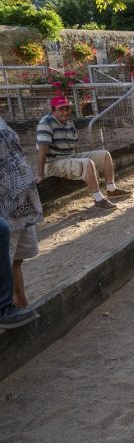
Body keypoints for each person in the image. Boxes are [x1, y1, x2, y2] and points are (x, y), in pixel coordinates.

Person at [37, 96, 133, 210]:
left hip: (69, 157)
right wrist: (41, 175)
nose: (65, 112)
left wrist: (78, 162)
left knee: (105, 155)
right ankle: (98, 199)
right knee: (87, 163)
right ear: (52, 110)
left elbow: (74, 146)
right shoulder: (46, 123)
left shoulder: (69, 123)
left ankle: (111, 189)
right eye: (61, 109)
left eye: (67, 108)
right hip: (54, 162)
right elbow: (42, 150)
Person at [1, 117, 43, 310]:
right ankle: (7, 307)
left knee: (16, 260)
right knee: (5, 260)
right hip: (5, 206)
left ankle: (21, 303)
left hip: (22, 202)